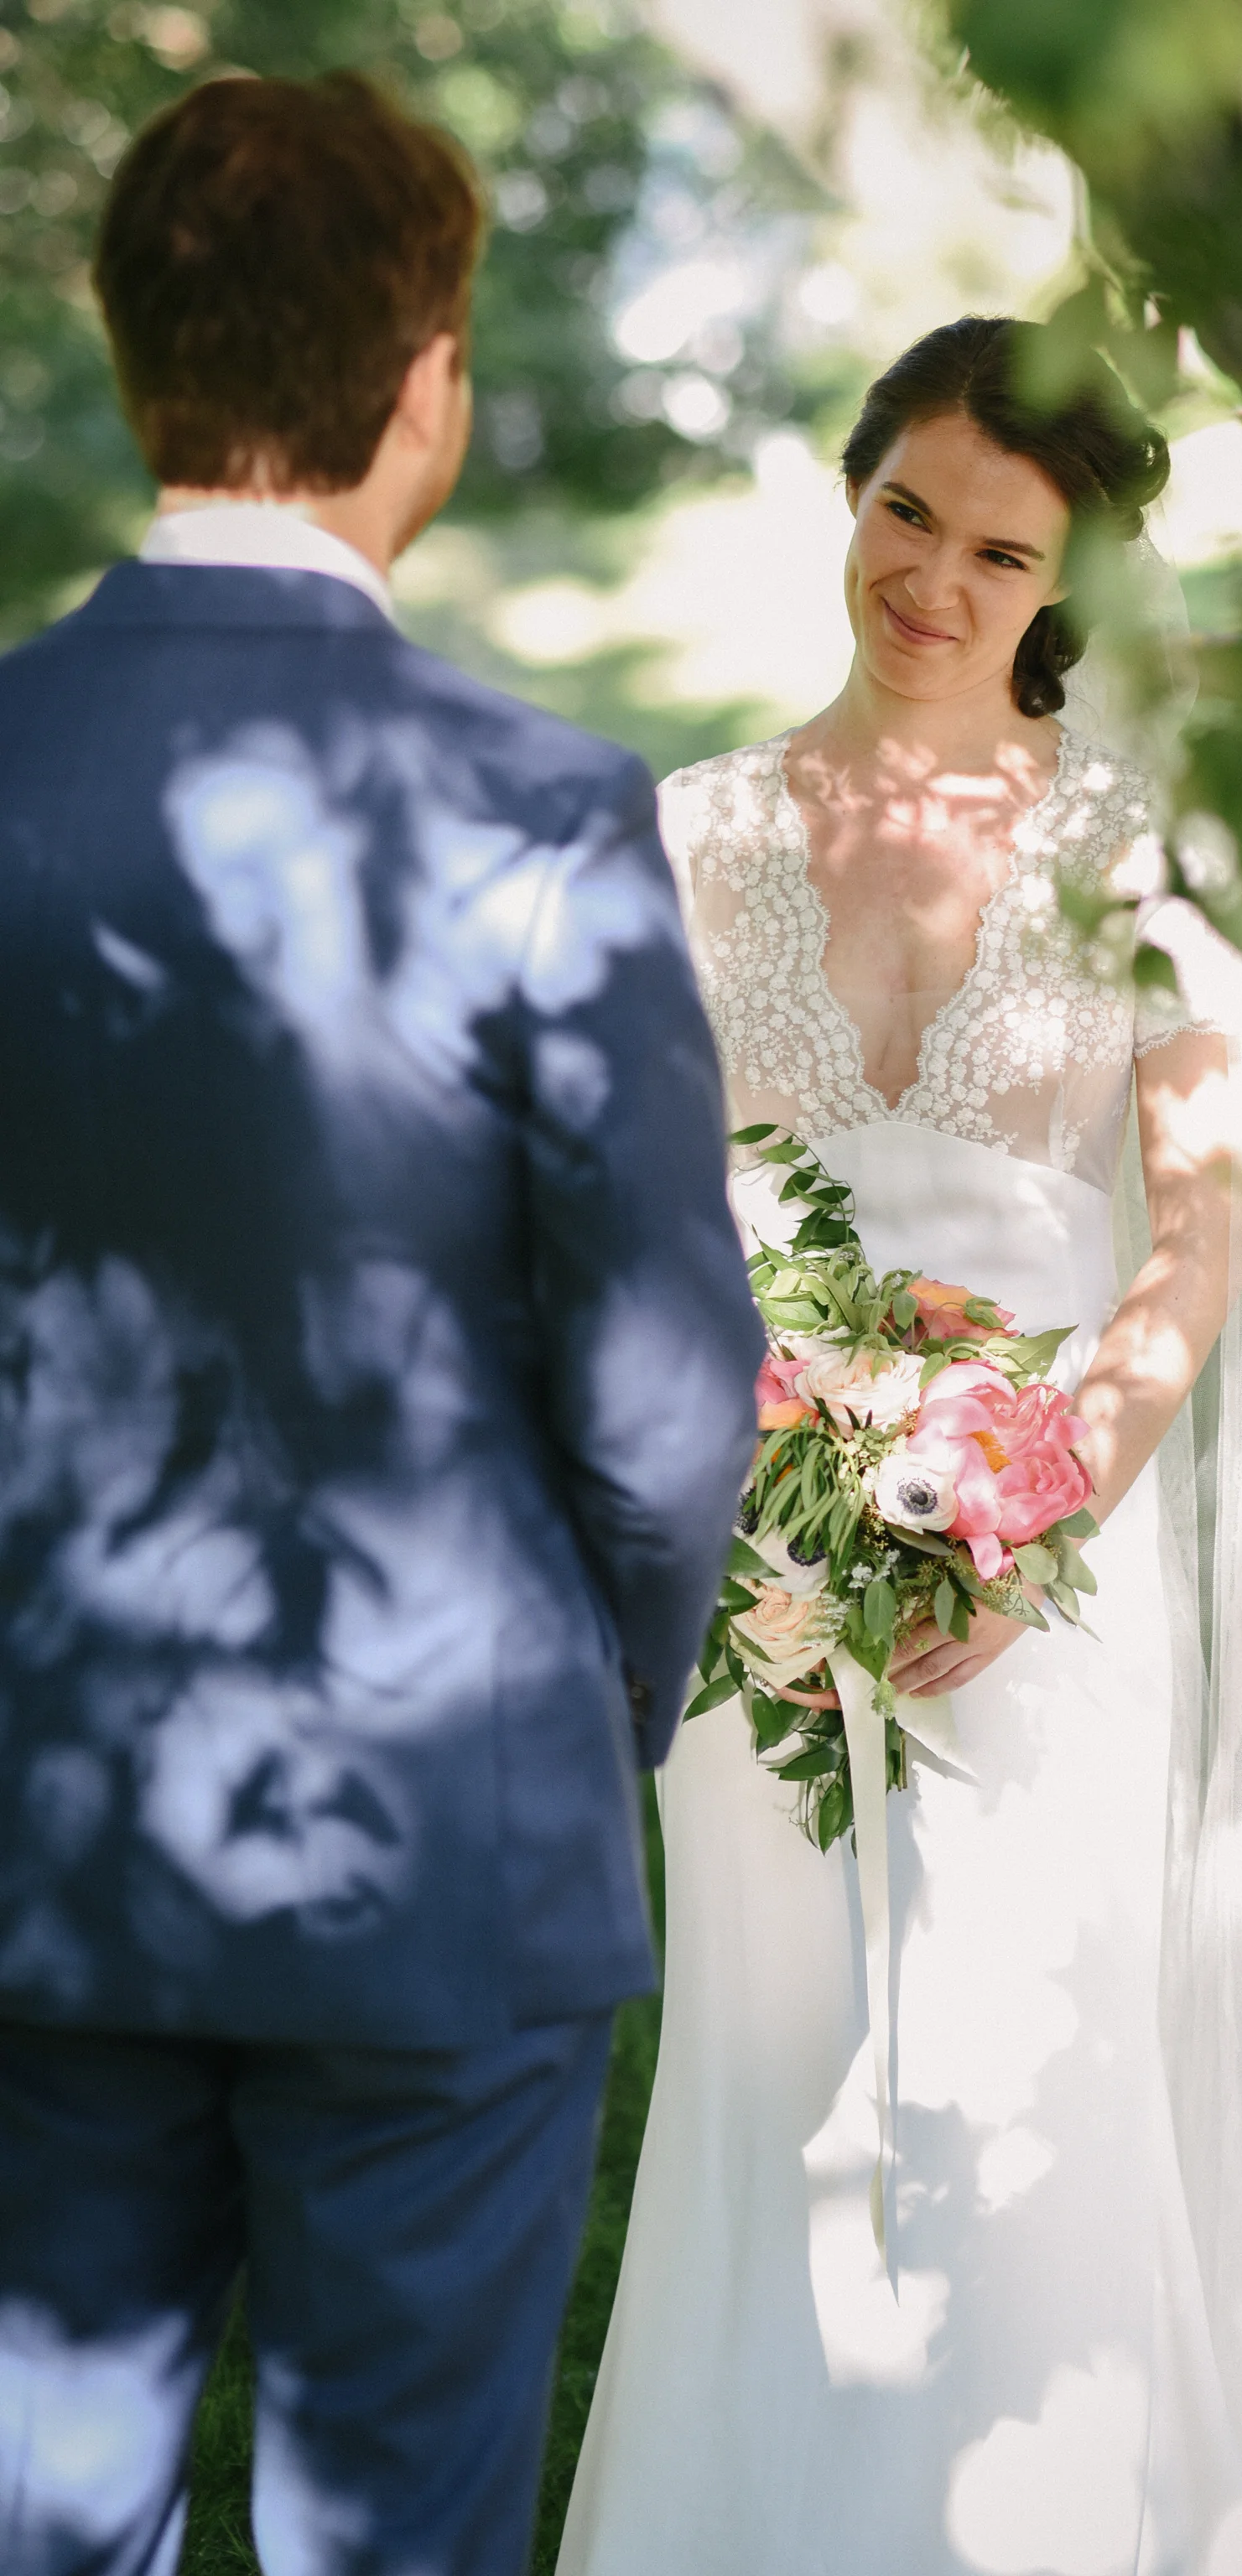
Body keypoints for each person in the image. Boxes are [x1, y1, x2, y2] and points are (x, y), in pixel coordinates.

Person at [0, 71, 761, 2576]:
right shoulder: (538, 809)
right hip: (445, 1818)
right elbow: (664, 1391)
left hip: (39, 1815)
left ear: (132, 352)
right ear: (427, 382)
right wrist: (596, 1706)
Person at [559, 315, 1242, 2576]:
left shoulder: (1148, 859)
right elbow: (614, 1230)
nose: (933, 578)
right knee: (774, 2073)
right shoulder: (688, 835)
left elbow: (1193, 1255)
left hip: (1054, 1561)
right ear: (854, 490)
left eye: (1001, 552)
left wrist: (1026, 1511)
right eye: (907, 511)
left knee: (1026, 2070)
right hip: (760, 1569)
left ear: (1067, 581)